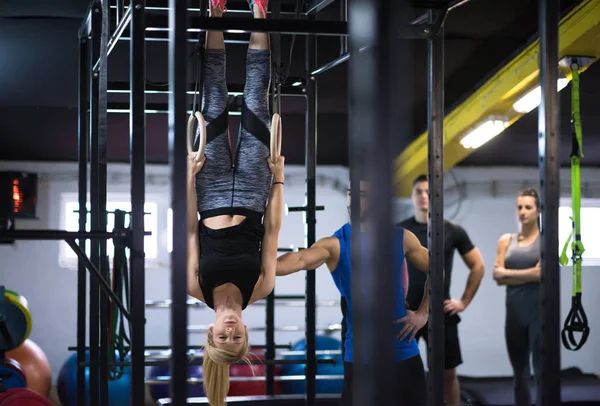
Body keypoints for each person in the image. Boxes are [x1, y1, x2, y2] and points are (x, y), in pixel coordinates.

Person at [186, 0, 283, 404]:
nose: (230, 328)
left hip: (206, 191)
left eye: (223, 335)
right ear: (247, 332)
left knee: (213, 100)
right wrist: (278, 176)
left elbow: (189, 228)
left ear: (210, 333)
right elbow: (274, 230)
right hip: (253, 189)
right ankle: (260, 11)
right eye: (236, 335)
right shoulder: (262, 287)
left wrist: (187, 176)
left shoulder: (195, 286)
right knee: (256, 100)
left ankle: (216, 13)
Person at [276, 178, 431, 406]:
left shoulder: (401, 237)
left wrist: (424, 312)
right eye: (351, 193)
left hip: (402, 349)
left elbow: (437, 269)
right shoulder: (335, 244)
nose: (355, 200)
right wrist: (254, 262)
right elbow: (298, 259)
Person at [397, 174, 485, 406]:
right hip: (407, 311)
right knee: (402, 374)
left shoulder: (452, 230)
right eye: (419, 192)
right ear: (412, 196)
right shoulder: (401, 230)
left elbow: (478, 266)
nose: (424, 197)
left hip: (441, 311)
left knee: (447, 375)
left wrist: (463, 302)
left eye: (429, 192)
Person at [493, 188, 541, 406]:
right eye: (519, 207)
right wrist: (529, 275)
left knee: (541, 371)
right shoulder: (506, 240)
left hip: (539, 313)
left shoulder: (546, 239)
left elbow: (542, 273)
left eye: (528, 207)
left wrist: (508, 274)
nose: (523, 211)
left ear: (538, 210)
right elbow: (497, 276)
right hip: (514, 314)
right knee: (519, 372)